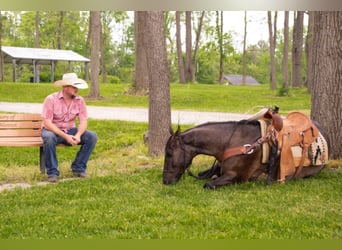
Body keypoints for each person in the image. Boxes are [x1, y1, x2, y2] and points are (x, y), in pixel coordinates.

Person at [41, 73, 98, 182]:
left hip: (70, 130)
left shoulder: (80, 100)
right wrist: (66, 136)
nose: (77, 89)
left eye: (77, 86)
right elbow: (47, 123)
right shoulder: (51, 99)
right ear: (65, 87)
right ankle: (52, 173)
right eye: (74, 86)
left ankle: (78, 168)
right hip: (52, 131)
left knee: (92, 136)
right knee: (49, 138)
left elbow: (83, 121)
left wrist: (78, 135)